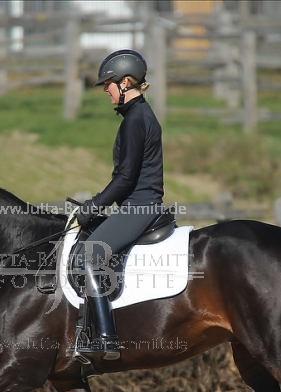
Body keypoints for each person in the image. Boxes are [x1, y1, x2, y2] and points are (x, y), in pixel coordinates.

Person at [73, 49, 166, 361]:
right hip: (136, 203)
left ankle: (106, 338)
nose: (105, 90)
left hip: (140, 206)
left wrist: (93, 206)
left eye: (109, 84)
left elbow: (125, 179)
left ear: (126, 82)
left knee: (90, 254)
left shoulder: (135, 120)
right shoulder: (138, 116)